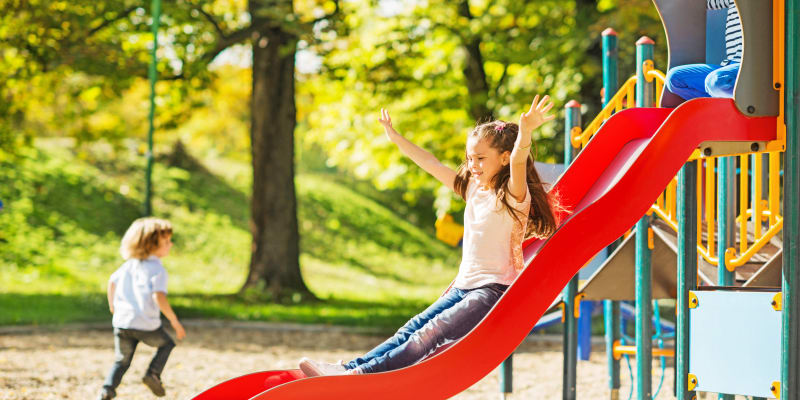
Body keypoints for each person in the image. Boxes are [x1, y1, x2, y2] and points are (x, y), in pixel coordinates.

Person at [299, 95, 559, 376]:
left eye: (481, 158)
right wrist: (396, 139)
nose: (473, 165)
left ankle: (360, 375)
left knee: (430, 333)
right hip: (463, 286)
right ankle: (349, 367)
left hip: (492, 291)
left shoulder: (513, 195)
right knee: (412, 327)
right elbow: (432, 164)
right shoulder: (473, 189)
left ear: (504, 158)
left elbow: (520, 160)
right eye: (470, 158)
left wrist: (525, 134)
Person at [97, 217, 186, 400]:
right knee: (167, 344)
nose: (171, 244)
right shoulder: (158, 270)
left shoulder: (128, 266)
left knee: (121, 360)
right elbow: (159, 296)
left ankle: (107, 390)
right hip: (146, 324)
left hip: (123, 323)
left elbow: (111, 282)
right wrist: (174, 320)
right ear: (151, 245)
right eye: (166, 241)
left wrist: (112, 305)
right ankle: (152, 374)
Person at [665, 0, 742, 100]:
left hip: (753, 68)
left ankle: (738, 103)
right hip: (731, 66)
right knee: (675, 78)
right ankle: (723, 104)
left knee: (717, 81)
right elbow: (703, 3)